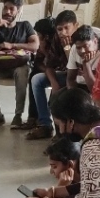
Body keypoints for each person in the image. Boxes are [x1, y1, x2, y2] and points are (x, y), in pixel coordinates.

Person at [0, 0, 38, 130]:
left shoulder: (25, 26)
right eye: (5, 8)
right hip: (0, 65)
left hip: (18, 65)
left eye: (12, 9)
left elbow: (35, 45)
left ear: (18, 10)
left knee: (22, 71)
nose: (7, 12)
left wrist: (12, 45)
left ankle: (18, 115)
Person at [26, 10, 78, 140]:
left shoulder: (82, 38)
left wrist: (67, 48)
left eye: (66, 28)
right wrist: (54, 83)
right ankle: (45, 125)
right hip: (65, 74)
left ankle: (65, 130)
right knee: (36, 79)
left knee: (58, 98)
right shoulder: (57, 38)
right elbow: (49, 64)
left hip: (79, 77)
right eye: (59, 29)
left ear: (75, 25)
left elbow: (75, 68)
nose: (63, 32)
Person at [65, 25, 100, 93]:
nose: (82, 51)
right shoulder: (74, 48)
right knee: (58, 97)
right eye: (79, 48)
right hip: (80, 87)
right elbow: (70, 79)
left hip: (99, 90)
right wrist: (72, 94)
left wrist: (86, 63)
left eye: (86, 46)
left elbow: (94, 90)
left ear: (95, 41)